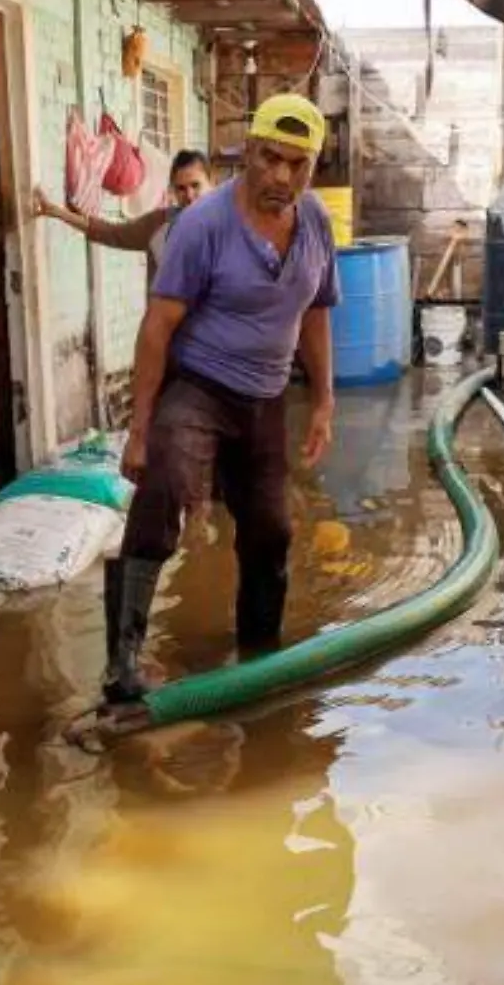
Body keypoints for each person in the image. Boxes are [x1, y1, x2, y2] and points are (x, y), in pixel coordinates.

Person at [101, 94, 339, 710]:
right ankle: (122, 662)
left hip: (265, 398)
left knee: (272, 531)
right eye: (269, 159)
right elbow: (156, 328)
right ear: (246, 154)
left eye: (297, 163)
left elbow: (315, 314)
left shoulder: (315, 222)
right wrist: (138, 430)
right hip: (200, 387)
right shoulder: (202, 225)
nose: (281, 177)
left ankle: (258, 660)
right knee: (163, 491)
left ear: (312, 166)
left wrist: (323, 402)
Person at [31, 149, 213, 283]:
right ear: (173, 189)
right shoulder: (158, 224)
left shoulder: (230, 227)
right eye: (181, 188)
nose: (189, 195)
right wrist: (56, 212)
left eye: (195, 185)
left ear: (211, 183)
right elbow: (109, 232)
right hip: (167, 333)